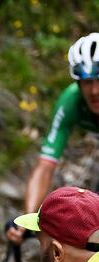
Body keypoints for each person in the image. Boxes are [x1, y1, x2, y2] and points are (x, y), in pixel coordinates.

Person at [6, 35, 99, 247]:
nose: (94, 90)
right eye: (86, 82)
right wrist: (27, 220)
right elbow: (45, 166)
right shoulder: (70, 102)